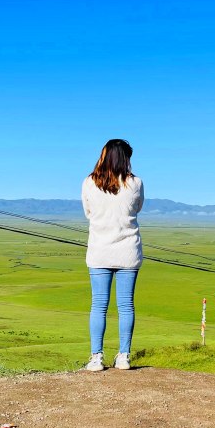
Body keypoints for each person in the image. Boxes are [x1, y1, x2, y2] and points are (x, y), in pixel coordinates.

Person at [82, 138, 144, 371]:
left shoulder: (89, 182)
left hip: (99, 251)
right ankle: (124, 356)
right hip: (128, 251)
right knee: (126, 306)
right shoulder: (136, 183)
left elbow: (88, 212)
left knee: (99, 305)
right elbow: (137, 208)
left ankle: (96, 357)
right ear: (126, 158)